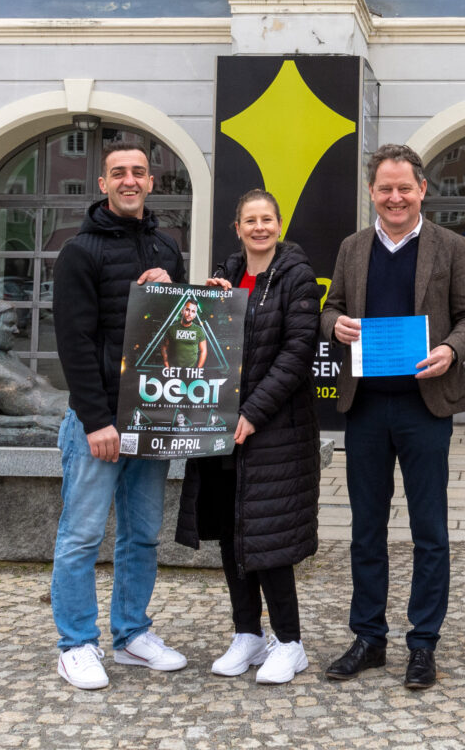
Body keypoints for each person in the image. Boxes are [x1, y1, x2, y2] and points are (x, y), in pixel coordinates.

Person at [319, 144, 465, 690]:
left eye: (404, 188)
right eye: (385, 188)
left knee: (429, 531)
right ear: (372, 191)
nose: (395, 197)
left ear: (422, 190)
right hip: (364, 405)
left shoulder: (452, 246)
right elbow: (332, 306)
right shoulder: (352, 246)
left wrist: (453, 351)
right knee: (365, 530)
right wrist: (335, 324)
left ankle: (423, 644)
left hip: (424, 405)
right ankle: (368, 637)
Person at [49, 140, 191, 690]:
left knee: (142, 535)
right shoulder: (79, 252)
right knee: (82, 536)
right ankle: (76, 644)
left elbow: (181, 331)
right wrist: (95, 421)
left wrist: (176, 292)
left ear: (150, 182)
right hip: (101, 422)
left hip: (152, 418)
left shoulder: (166, 244)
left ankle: (132, 634)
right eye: (118, 173)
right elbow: (74, 344)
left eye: (138, 172)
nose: (130, 180)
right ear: (103, 184)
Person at [174, 189, 322, 686]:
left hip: (275, 431)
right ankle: (247, 633)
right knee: (232, 530)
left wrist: (254, 413)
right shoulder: (226, 275)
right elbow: (201, 347)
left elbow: (297, 352)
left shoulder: (297, 276)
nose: (259, 227)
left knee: (269, 536)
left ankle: (290, 641)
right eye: (249, 220)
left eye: (267, 219)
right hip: (220, 427)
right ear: (237, 227)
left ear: (279, 225)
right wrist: (208, 301)